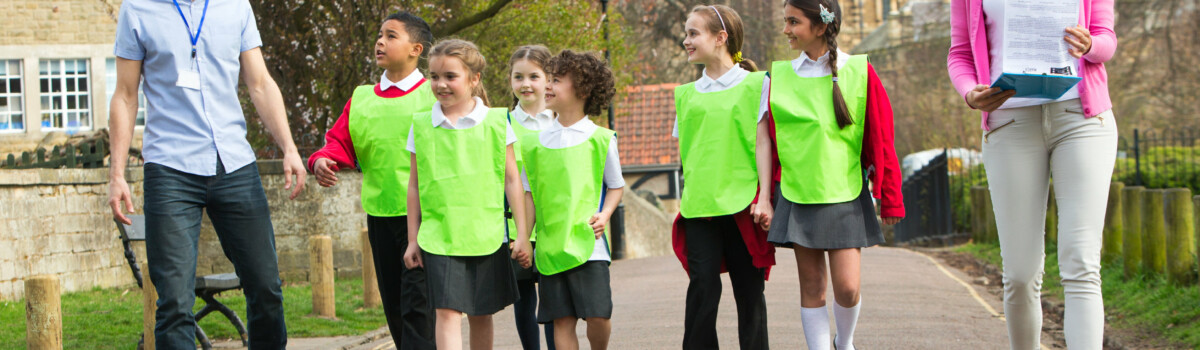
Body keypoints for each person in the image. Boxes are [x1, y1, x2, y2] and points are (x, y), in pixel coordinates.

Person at [108, 0, 306, 348]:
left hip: (234, 162)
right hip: (170, 167)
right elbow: (125, 95)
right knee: (173, 303)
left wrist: (289, 147)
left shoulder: (235, 7)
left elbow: (259, 82)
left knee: (266, 287)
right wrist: (117, 172)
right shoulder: (137, 9)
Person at [947, 0, 1118, 347]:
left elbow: (1106, 40)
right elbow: (960, 52)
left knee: (1081, 263)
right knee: (1021, 275)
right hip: (1009, 121)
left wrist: (1090, 45)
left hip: (1081, 119)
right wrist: (969, 92)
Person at [763, 1, 904, 349]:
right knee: (812, 287)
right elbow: (764, 141)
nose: (786, 30)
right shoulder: (775, 77)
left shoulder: (860, 70)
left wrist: (890, 195)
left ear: (820, 26)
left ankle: (845, 342)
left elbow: (881, 136)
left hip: (845, 192)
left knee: (848, 287)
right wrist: (764, 197)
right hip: (798, 194)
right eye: (785, 21)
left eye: (793, 22)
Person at [306, 11, 437, 349]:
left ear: (416, 49)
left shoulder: (434, 96)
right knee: (395, 309)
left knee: (418, 310)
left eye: (391, 35)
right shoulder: (362, 97)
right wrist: (322, 160)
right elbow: (338, 141)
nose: (380, 41)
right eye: (380, 34)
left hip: (428, 218)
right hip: (380, 217)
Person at [403, 39, 533, 350]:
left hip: (485, 234)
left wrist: (523, 234)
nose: (440, 84)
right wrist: (412, 239)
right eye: (434, 77)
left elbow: (513, 180)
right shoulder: (421, 124)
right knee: (446, 313)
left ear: (474, 79)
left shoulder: (497, 122)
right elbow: (414, 185)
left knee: (481, 313)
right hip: (440, 236)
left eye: (450, 76)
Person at [670, 4, 774, 350]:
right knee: (703, 288)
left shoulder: (756, 84)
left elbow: (763, 143)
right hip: (699, 206)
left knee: (749, 291)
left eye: (692, 33)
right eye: (686, 34)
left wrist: (764, 199)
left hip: (743, 203)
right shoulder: (685, 95)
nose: (686, 40)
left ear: (720, 38)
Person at [522, 49, 623, 350]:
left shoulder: (601, 139)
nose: (548, 86)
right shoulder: (534, 143)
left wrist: (604, 216)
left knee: (598, 316)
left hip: (589, 245)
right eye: (548, 79)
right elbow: (530, 195)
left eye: (556, 80)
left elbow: (616, 186)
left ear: (582, 89)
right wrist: (525, 239)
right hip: (551, 248)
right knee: (561, 321)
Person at [506, 44, 558, 350]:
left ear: (548, 79)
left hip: (553, 224)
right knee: (523, 298)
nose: (525, 84)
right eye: (518, 76)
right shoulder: (502, 124)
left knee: (552, 298)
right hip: (517, 228)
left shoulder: (560, 122)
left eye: (534, 76)